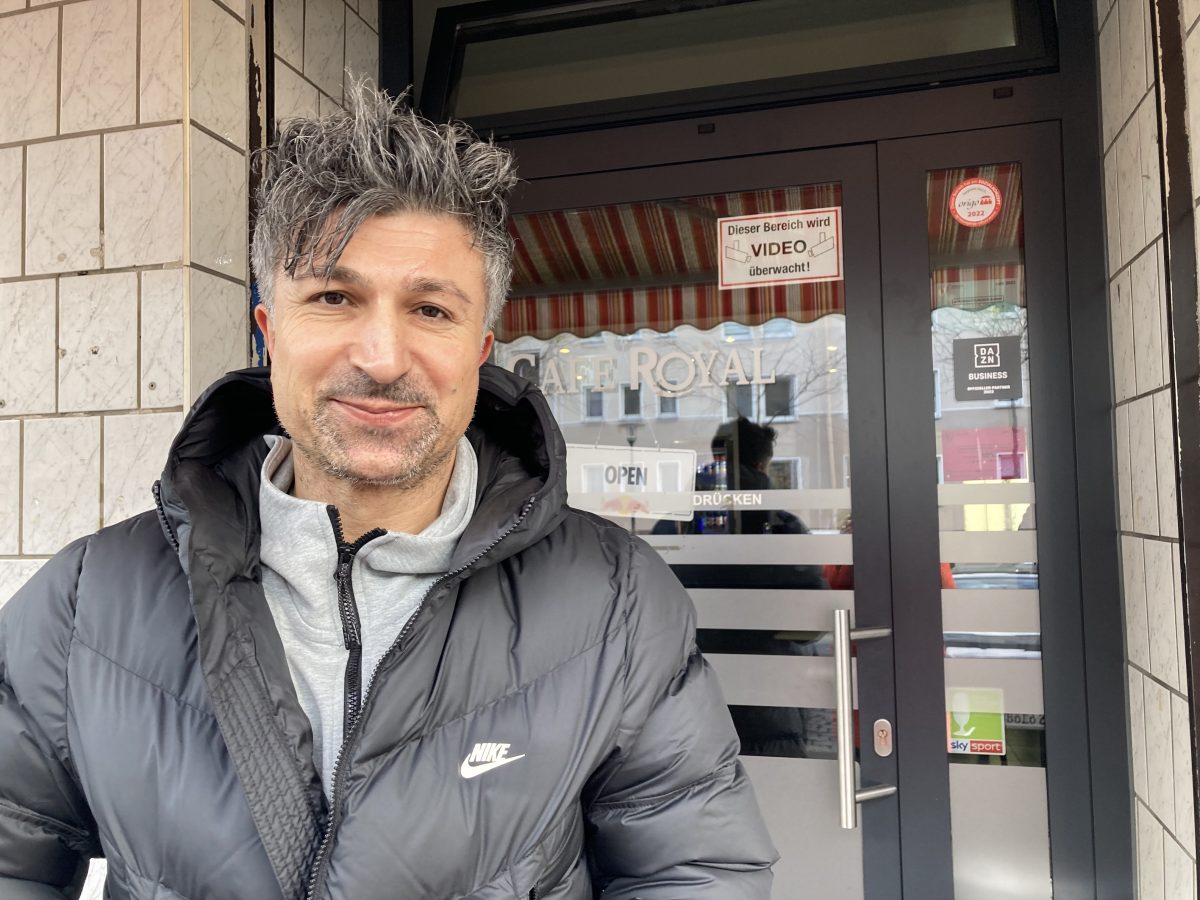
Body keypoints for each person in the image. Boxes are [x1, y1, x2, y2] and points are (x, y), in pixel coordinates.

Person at [0, 85, 776, 899]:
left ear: (480, 350)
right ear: (270, 334)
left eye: (430, 309)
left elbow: (696, 873)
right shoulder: (88, 604)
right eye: (334, 298)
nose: (380, 356)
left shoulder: (615, 601)